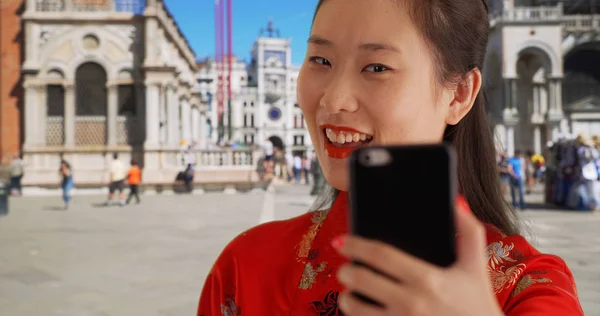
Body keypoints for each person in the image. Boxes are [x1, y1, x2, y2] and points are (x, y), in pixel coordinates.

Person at [198, 0, 583, 315]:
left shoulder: (530, 289)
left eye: (377, 67)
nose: (333, 100)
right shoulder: (245, 266)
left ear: (460, 94)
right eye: (320, 60)